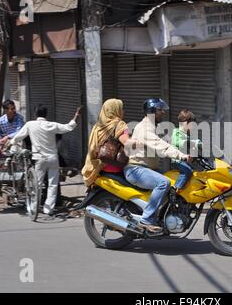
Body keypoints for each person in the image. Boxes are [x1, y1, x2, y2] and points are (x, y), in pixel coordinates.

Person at [124, 98, 192, 232]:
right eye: (160, 110)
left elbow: (168, 142)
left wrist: (189, 146)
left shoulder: (154, 127)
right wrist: (181, 155)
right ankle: (146, 219)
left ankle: (163, 217)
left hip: (147, 168)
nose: (163, 112)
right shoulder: (145, 129)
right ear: (152, 111)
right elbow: (161, 146)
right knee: (163, 183)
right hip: (136, 169)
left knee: (173, 185)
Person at [10, 104, 82, 215]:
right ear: (46, 114)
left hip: (39, 158)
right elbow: (69, 127)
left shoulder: (30, 124)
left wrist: (11, 143)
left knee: (37, 184)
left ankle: (34, 207)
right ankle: (48, 209)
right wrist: (76, 115)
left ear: (35, 114)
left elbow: (17, 137)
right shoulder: (51, 125)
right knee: (52, 184)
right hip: (53, 158)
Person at [81, 98, 136, 187]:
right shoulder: (120, 124)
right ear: (115, 110)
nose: (123, 111)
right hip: (115, 167)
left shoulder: (97, 126)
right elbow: (126, 142)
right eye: (121, 108)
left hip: (98, 167)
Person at [170, 109, 201, 199]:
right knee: (188, 171)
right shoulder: (177, 132)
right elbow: (180, 142)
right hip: (177, 160)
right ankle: (175, 189)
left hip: (184, 160)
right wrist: (193, 142)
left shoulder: (186, 135)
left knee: (193, 172)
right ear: (185, 123)